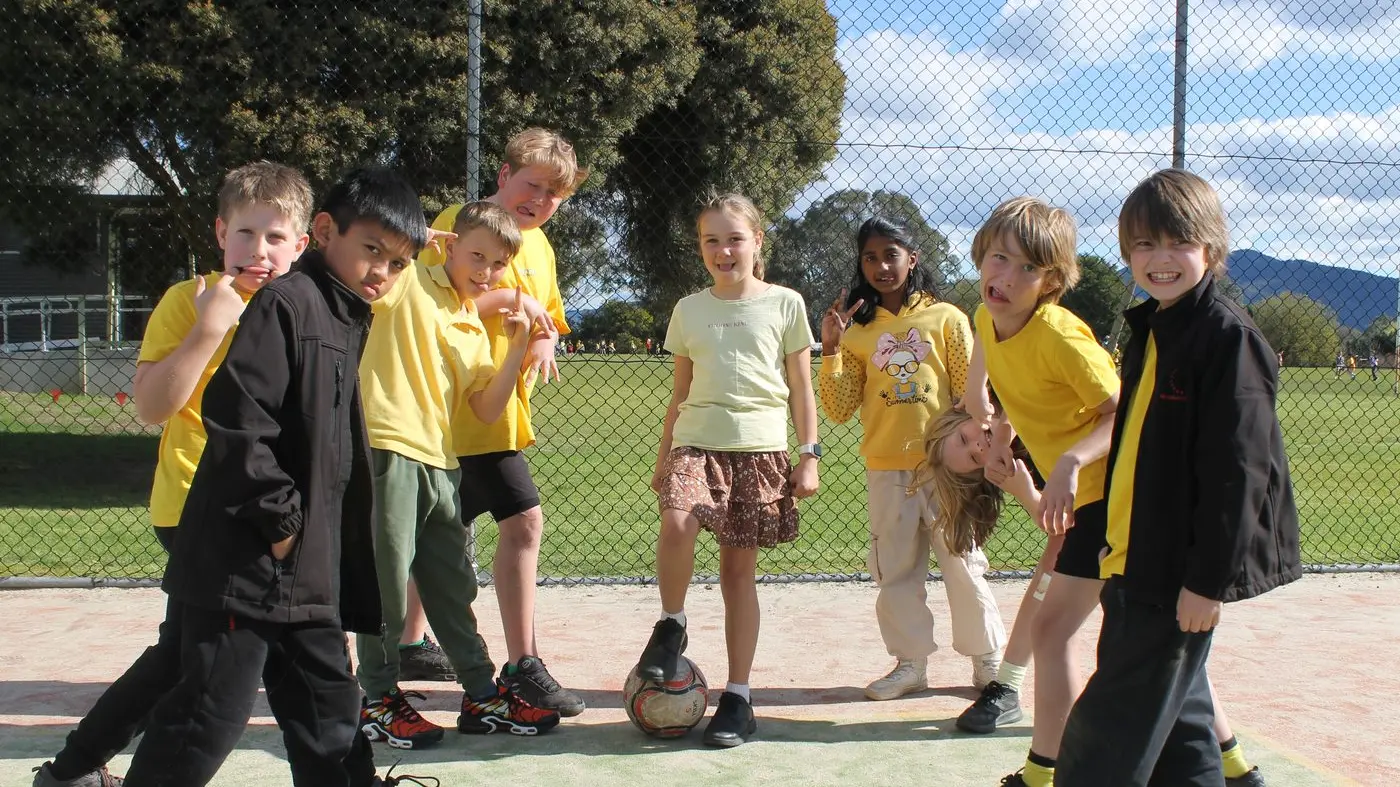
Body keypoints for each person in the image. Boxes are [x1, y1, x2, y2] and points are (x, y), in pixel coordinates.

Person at [117, 167, 427, 787]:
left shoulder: (339, 313)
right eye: (371, 249)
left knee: (330, 707)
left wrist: (310, 543)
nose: (380, 273)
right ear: (324, 231)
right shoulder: (289, 305)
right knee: (209, 714)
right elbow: (236, 420)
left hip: (303, 568)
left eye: (397, 264)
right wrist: (283, 522)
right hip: (248, 562)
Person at [31, 162, 312, 787]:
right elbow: (154, 405)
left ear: (302, 244)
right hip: (198, 505)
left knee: (176, 659)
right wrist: (210, 329)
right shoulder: (189, 302)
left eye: (274, 237)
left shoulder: (303, 307)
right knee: (218, 672)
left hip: (270, 506)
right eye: (245, 233)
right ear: (219, 232)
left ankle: (69, 770)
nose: (258, 250)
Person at [1055, 168, 1299, 786]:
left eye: (1177, 244)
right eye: (1143, 245)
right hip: (1134, 560)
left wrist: (1207, 582)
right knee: (1183, 735)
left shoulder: (1225, 338)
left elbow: (1239, 472)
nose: (1159, 259)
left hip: (1174, 574)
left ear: (1210, 250)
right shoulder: (1154, 328)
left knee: (1102, 742)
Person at [356, 201, 560, 749]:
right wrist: (407, 237)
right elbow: (364, 258)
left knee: (451, 585)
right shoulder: (408, 282)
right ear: (447, 247)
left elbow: (488, 410)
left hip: (442, 462)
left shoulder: (470, 322)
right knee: (385, 585)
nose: (486, 272)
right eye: (476, 256)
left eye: (497, 265)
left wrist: (517, 347)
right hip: (387, 450)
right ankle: (375, 700)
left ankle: (481, 696)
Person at [634, 191, 819, 748]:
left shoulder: (785, 303)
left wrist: (808, 454)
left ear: (757, 242)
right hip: (696, 440)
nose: (722, 250)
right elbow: (680, 393)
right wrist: (665, 454)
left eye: (734, 238)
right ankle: (672, 623)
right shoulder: (689, 310)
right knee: (677, 521)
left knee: (738, 575)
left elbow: (802, 389)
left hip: (759, 449)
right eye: (710, 240)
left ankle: (738, 697)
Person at [418, 128, 588, 716]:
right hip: (443, 420)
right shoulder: (458, 221)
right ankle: (512, 664)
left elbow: (551, 321)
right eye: (531, 184)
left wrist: (543, 340)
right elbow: (430, 307)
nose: (538, 199)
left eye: (553, 194)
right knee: (473, 534)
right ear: (502, 177)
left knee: (497, 529)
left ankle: (506, 659)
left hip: (497, 421)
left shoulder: (538, 247)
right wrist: (514, 306)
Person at [959, 199, 1120, 781]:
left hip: (1118, 496)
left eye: (1026, 268)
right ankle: (1233, 767)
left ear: (1050, 281)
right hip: (1080, 495)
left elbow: (1120, 412)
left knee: (1135, 636)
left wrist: (1070, 464)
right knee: (1152, 637)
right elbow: (987, 388)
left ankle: (1044, 765)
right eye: (998, 257)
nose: (1004, 275)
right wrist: (996, 433)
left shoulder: (1061, 336)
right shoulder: (986, 315)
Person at [817, 216, 1006, 701]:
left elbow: (969, 392)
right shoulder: (858, 332)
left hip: (947, 468)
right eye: (870, 257)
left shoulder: (946, 318)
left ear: (912, 258)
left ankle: (988, 664)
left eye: (891, 255)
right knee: (896, 569)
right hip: (886, 468)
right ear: (860, 265)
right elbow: (838, 410)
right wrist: (833, 349)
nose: (881, 265)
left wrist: (974, 455)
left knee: (962, 562)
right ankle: (910, 664)